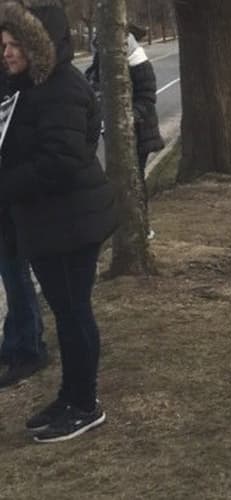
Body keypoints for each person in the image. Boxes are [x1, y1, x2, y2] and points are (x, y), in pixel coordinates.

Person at [0, 0, 118, 443]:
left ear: (37, 44)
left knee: (73, 313)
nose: (7, 52)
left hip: (72, 222)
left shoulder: (60, 86)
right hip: (48, 221)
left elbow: (64, 158)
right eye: (4, 43)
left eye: (16, 44)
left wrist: (6, 184)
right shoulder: (25, 85)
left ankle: (85, 404)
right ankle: (69, 396)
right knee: (65, 312)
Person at [86, 30, 163, 237]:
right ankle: (122, 225)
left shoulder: (138, 63)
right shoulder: (101, 62)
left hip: (139, 131)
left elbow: (147, 96)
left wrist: (128, 119)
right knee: (120, 179)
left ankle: (141, 227)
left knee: (134, 179)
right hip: (114, 132)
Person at [0, 63, 47, 389]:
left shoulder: (16, 86)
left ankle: (30, 348)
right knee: (11, 273)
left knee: (15, 273)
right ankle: (14, 341)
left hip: (11, 196)